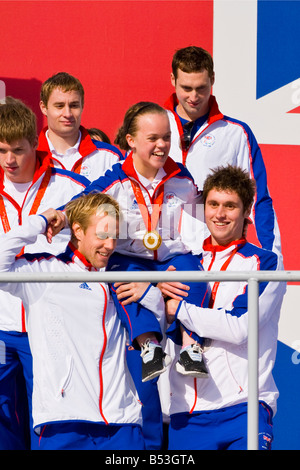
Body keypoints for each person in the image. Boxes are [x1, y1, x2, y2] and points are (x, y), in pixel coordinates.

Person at [76, 101, 209, 449]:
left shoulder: (182, 179)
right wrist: (54, 217)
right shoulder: (113, 181)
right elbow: (78, 209)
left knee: (195, 270)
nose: (161, 146)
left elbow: (197, 231)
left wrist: (168, 274)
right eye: (152, 139)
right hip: (129, 264)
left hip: (169, 262)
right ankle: (149, 346)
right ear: (131, 140)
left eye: (166, 138)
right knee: (120, 277)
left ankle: (190, 346)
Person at [0, 192, 161, 450]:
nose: (109, 246)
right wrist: (41, 221)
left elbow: (159, 323)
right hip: (64, 421)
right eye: (102, 235)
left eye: (113, 237)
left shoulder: (121, 274)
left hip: (122, 422)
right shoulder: (45, 272)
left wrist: (150, 294)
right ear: (78, 230)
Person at [163, 165, 286, 450]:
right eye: (213, 204)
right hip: (185, 412)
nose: (220, 214)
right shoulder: (182, 262)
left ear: (246, 211)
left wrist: (177, 309)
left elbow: (239, 326)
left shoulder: (264, 263)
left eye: (230, 206)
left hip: (243, 406)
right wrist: (152, 295)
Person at [0, 97, 90, 449]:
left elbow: (107, 229)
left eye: (18, 150)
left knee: (50, 420)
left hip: (50, 326)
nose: (9, 160)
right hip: (3, 327)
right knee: (3, 419)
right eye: (2, 150)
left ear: (35, 143)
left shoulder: (68, 187)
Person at [164, 45, 282, 258]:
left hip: (215, 254)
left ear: (213, 80)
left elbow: (258, 199)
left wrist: (271, 259)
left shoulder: (236, 133)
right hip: (159, 255)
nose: (194, 96)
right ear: (173, 80)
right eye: (186, 88)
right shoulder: (151, 127)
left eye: (201, 88)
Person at [38, 72, 123, 180]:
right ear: (44, 107)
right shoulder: (30, 156)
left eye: (74, 106)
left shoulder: (109, 157)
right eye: (59, 106)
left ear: (82, 105)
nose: (67, 114)